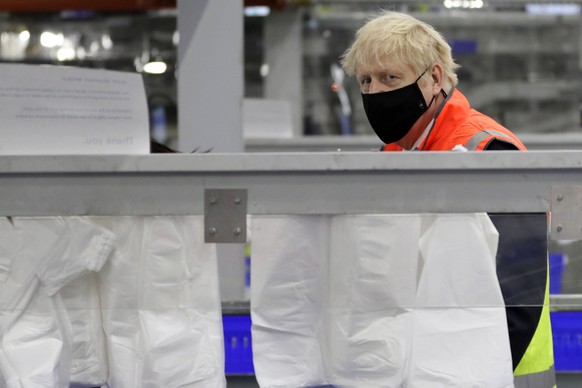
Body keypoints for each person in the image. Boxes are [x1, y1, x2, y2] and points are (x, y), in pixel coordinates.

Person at [341, 11, 555, 388]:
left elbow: (519, 296)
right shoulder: (395, 153)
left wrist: (462, 375)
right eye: (366, 81)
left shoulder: (488, 150)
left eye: (390, 77)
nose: (375, 93)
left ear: (434, 78)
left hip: (493, 375)